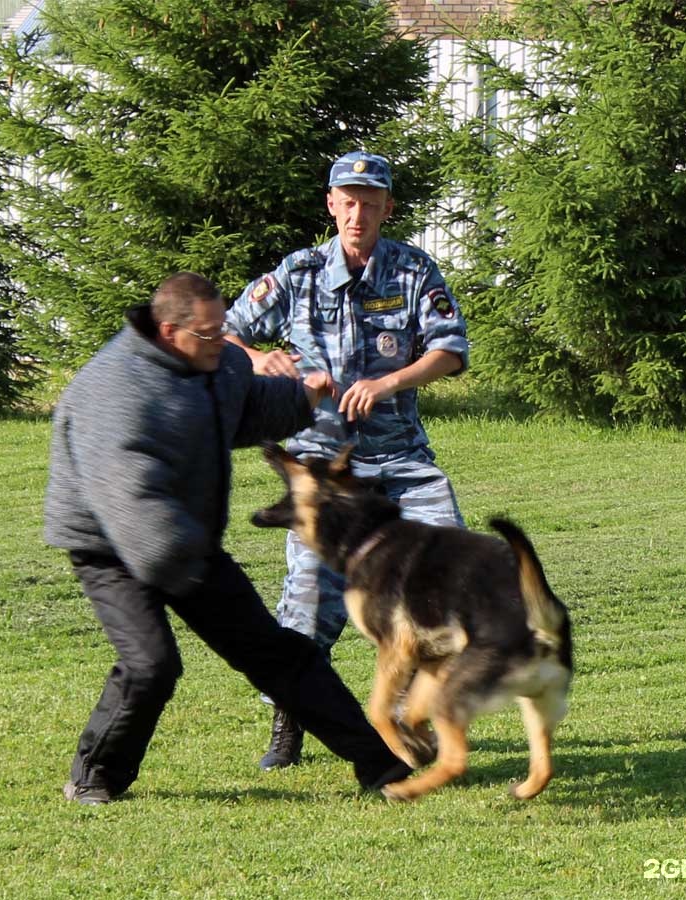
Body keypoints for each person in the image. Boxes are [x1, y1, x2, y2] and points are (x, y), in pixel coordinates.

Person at [44, 271, 412, 805]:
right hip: (112, 545)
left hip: (185, 538)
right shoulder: (114, 391)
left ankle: (380, 766)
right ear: (171, 332)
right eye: (212, 334)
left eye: (224, 330)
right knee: (152, 663)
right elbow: (128, 496)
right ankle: (93, 775)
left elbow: (245, 405)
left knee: (277, 652)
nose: (226, 341)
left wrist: (302, 398)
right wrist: (188, 564)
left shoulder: (213, 362)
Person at [224, 151, 470, 770]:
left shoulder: (413, 269)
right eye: (348, 201)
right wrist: (262, 361)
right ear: (332, 206)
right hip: (322, 474)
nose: (359, 212)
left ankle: (414, 719)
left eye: (371, 201)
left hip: (402, 463)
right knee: (308, 604)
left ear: (387, 208)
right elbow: (225, 332)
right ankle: (291, 720)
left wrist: (389, 384)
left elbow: (450, 350)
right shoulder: (300, 272)